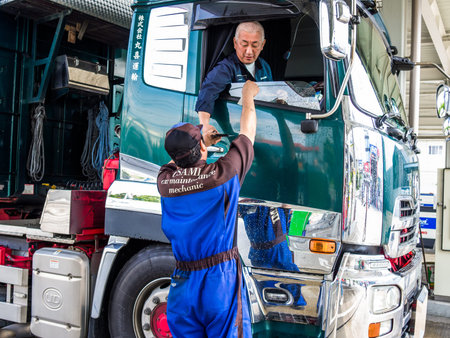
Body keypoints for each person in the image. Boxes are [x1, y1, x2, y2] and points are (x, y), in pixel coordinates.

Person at [157, 80, 259, 338]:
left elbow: (175, 160)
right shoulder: (222, 175)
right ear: (203, 147)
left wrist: (195, 146)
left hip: (182, 284)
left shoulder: (165, 182)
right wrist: (248, 96)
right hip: (218, 281)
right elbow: (247, 134)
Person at [195, 21, 272, 131]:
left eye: (255, 45)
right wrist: (205, 125)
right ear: (235, 43)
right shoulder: (225, 68)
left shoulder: (265, 66)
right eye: (244, 44)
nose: (249, 51)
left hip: (262, 125)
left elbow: (269, 93)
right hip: (237, 127)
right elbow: (207, 93)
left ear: (263, 45)